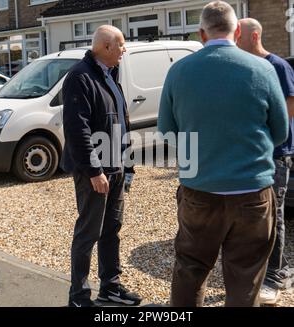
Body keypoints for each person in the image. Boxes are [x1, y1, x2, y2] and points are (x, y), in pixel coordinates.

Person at [158, 1, 289, 307]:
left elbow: (166, 131)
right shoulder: (263, 69)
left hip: (199, 190)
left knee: (190, 270)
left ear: (201, 33)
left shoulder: (179, 71)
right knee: (246, 276)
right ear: (238, 30)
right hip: (252, 192)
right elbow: (281, 131)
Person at [61, 25, 142, 307]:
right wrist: (94, 170)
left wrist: (127, 166)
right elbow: (76, 129)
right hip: (95, 171)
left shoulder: (110, 74)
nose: (124, 50)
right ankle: (79, 297)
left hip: (116, 165)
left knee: (112, 229)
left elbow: (121, 121)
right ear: (106, 47)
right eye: (121, 45)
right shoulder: (79, 77)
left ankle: (111, 288)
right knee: (88, 233)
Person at [238, 18, 294, 305]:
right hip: (256, 154)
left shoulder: (278, 66)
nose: (235, 41)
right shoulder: (247, 67)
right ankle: (274, 269)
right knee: (259, 218)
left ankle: (276, 275)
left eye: (239, 36)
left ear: (254, 36)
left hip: (276, 154)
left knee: (276, 215)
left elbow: (287, 112)